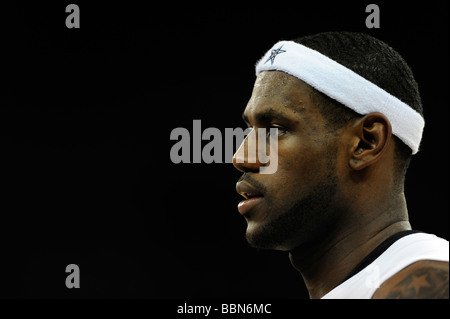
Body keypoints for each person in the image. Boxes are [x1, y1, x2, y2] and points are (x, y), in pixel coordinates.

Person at [232, 32, 449, 299]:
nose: (242, 157)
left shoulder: (431, 284)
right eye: (250, 130)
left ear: (366, 142)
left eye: (276, 130)